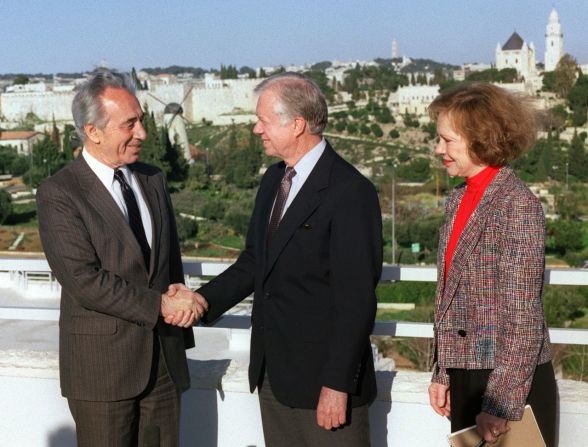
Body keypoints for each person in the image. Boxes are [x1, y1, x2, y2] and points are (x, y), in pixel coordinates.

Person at [173, 72, 382, 446]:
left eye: (264, 120)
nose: (256, 129)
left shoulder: (350, 191)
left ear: (297, 124)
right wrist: (201, 301)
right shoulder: (274, 180)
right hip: (273, 377)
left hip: (325, 386)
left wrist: (336, 384)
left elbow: (357, 301)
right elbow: (255, 261)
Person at [36, 70, 207, 446]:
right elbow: (84, 280)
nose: (142, 134)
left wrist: (178, 300)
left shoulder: (152, 178)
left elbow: (167, 260)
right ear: (93, 131)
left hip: (163, 364)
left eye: (141, 121)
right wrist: (160, 305)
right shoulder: (60, 193)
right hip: (103, 373)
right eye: (129, 124)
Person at [427, 82, 556, 445]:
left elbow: (523, 315)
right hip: (466, 379)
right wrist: (443, 373)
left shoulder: (517, 205)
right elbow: (450, 298)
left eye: (447, 140)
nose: (439, 149)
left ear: (480, 138)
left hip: (510, 386)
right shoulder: (457, 199)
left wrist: (500, 402)